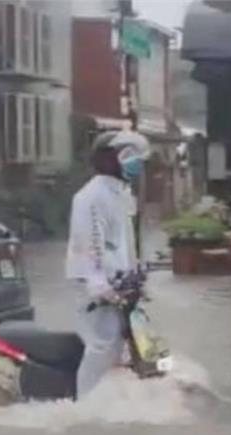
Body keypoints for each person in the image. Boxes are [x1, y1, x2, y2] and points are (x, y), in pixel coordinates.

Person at [65, 130, 150, 398]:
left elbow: (124, 243)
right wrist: (99, 284)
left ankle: (115, 401)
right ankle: (86, 405)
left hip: (120, 288)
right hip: (99, 288)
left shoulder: (120, 194)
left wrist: (136, 278)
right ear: (112, 159)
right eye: (130, 156)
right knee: (102, 345)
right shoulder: (91, 196)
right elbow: (90, 243)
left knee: (124, 347)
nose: (136, 163)